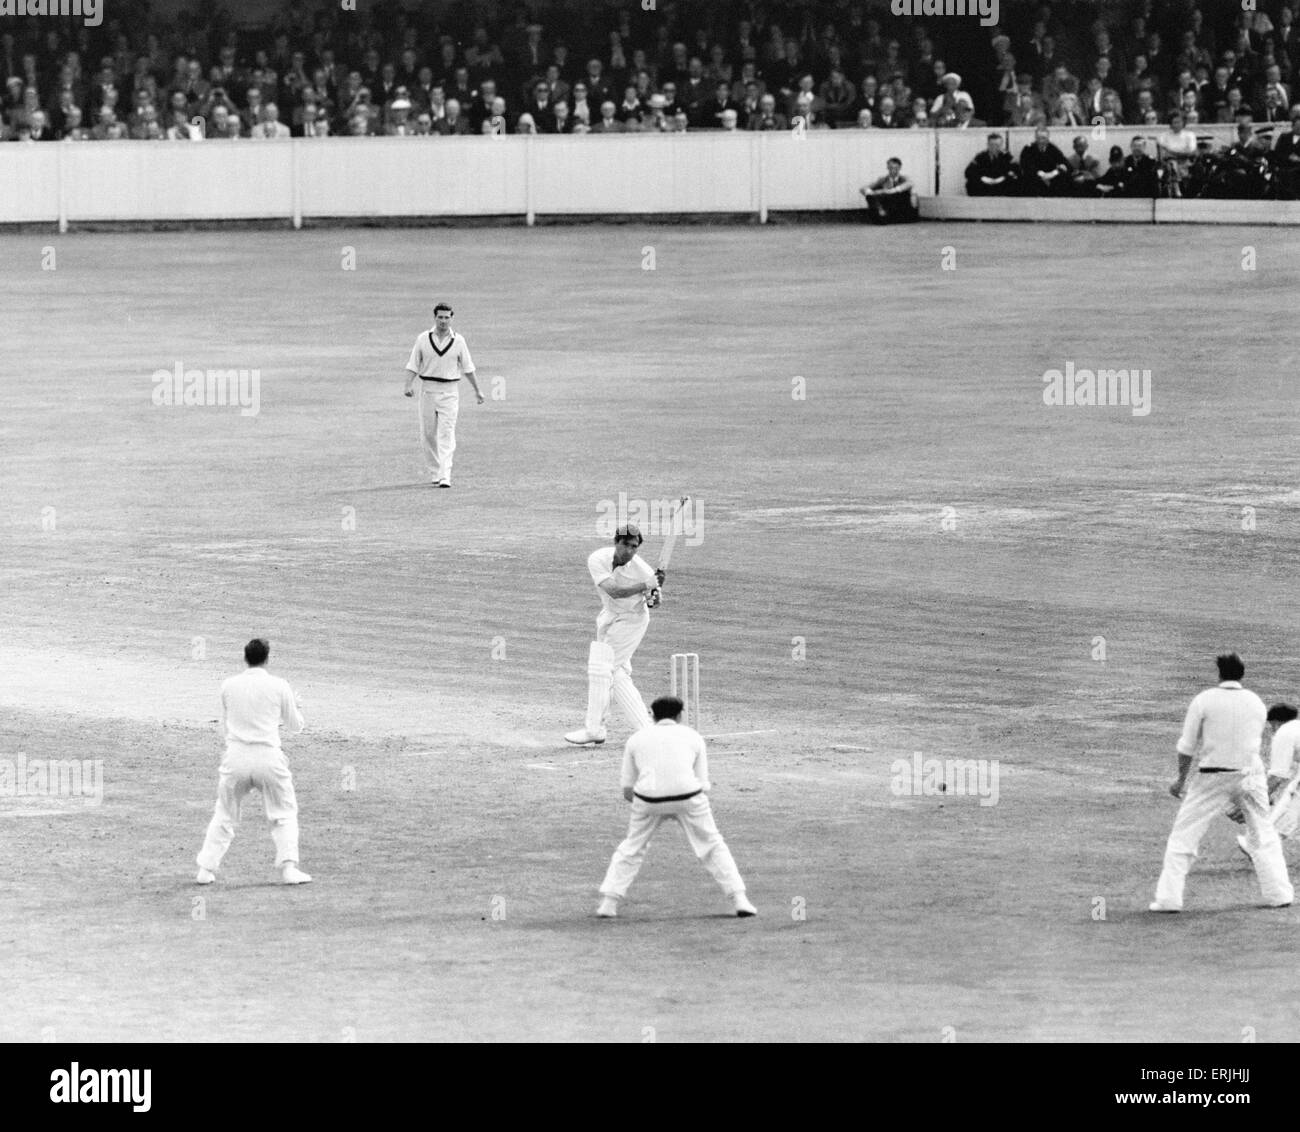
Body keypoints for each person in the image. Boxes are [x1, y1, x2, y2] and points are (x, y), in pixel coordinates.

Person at [1150, 653, 1293, 912]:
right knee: (1264, 834)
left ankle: (1168, 899)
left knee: (1184, 835)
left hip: (1213, 776)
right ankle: (1279, 894)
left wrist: (1180, 780)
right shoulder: (1256, 702)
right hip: (1250, 775)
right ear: (1241, 674)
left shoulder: (1205, 700)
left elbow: (1187, 747)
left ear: (1219, 674)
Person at [595, 695, 757, 919]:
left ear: (652, 715)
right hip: (689, 795)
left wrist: (650, 805)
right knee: (712, 845)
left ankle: (608, 904)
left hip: (647, 798)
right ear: (680, 716)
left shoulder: (636, 739)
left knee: (631, 848)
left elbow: (627, 791)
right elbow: (703, 785)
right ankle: (740, 900)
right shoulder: (693, 736)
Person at [195, 639, 311, 886]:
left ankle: (205, 869)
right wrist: (295, 707)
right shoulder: (279, 686)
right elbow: (296, 726)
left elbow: (225, 729)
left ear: (245, 658)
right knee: (284, 813)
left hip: (236, 757)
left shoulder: (228, 686)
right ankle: (289, 868)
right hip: (268, 758)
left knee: (224, 813)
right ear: (267, 658)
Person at [565, 523, 661, 747]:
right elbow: (614, 591)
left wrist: (653, 596)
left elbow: (653, 601)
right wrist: (644, 585)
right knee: (615, 673)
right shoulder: (597, 559)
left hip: (632, 620)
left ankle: (594, 729)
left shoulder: (644, 571)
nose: (630, 551)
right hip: (610, 615)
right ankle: (646, 729)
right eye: (626, 545)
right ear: (616, 542)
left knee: (601, 667)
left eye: (635, 547)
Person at [401, 302, 484, 488]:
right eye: (440, 317)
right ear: (435, 318)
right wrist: (408, 385)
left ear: (452, 318)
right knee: (428, 434)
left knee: (446, 433)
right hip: (428, 391)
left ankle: (445, 474)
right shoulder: (423, 339)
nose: (443, 321)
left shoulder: (459, 341)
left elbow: (468, 368)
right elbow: (413, 364)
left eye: (447, 317)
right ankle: (435, 471)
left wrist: (477, 391)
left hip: (449, 392)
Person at [1235, 705, 1300, 858]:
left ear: (1276, 722)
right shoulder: (1296, 728)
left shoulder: (1284, 733)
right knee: (1292, 796)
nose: (1271, 730)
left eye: (1271, 725)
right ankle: (1258, 843)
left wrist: (1258, 799)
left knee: (1293, 804)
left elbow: (1278, 776)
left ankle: (1262, 846)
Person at [859, 156, 918, 223]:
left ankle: (882, 216)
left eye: (896, 168)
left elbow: (909, 184)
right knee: (870, 196)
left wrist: (887, 191)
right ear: (887, 168)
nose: (893, 170)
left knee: (898, 194)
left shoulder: (905, 178)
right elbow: (862, 189)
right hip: (888, 207)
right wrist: (871, 192)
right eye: (890, 168)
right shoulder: (883, 179)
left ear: (900, 168)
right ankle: (881, 213)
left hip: (902, 207)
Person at [1018, 126, 1070, 194]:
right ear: (1035, 138)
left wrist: (1054, 173)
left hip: (1051, 176)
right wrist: (1042, 174)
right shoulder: (1028, 149)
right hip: (1035, 177)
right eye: (1039, 138)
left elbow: (1066, 164)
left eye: (1044, 138)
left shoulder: (1053, 149)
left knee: (1064, 178)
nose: (1041, 141)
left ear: (1048, 138)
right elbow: (1025, 166)